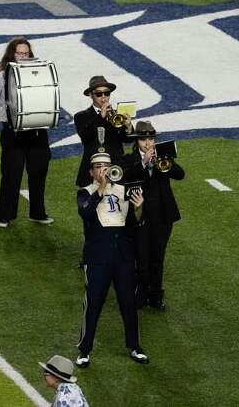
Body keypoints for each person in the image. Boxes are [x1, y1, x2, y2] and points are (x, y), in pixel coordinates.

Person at [75, 152, 149, 367]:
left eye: (107, 166)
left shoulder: (124, 191)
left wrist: (139, 208)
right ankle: (84, 349)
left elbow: (136, 226)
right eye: (98, 166)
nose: (104, 170)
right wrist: (101, 187)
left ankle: (134, 346)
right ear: (91, 172)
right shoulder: (85, 192)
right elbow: (86, 213)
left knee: (128, 303)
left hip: (123, 257)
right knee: (93, 304)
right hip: (98, 257)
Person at [0, 37, 54, 228]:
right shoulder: (2, 76)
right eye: (19, 53)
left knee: (38, 174)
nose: (23, 56)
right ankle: (5, 216)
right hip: (13, 133)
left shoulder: (38, 74)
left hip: (37, 132)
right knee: (11, 175)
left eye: (26, 53)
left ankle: (37, 213)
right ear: (11, 54)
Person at [122, 121, 184, 311]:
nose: (148, 143)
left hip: (163, 217)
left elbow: (180, 174)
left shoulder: (163, 157)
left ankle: (156, 296)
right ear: (136, 141)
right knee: (141, 260)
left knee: (158, 258)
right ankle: (140, 295)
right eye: (143, 139)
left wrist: (164, 163)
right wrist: (143, 163)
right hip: (139, 216)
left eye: (150, 138)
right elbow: (124, 177)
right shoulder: (129, 159)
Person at [73, 75, 132, 188]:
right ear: (91, 95)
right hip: (93, 171)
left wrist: (128, 126)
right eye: (99, 94)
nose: (103, 97)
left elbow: (127, 140)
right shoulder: (81, 116)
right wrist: (101, 116)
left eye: (107, 93)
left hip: (116, 169)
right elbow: (85, 137)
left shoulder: (116, 115)